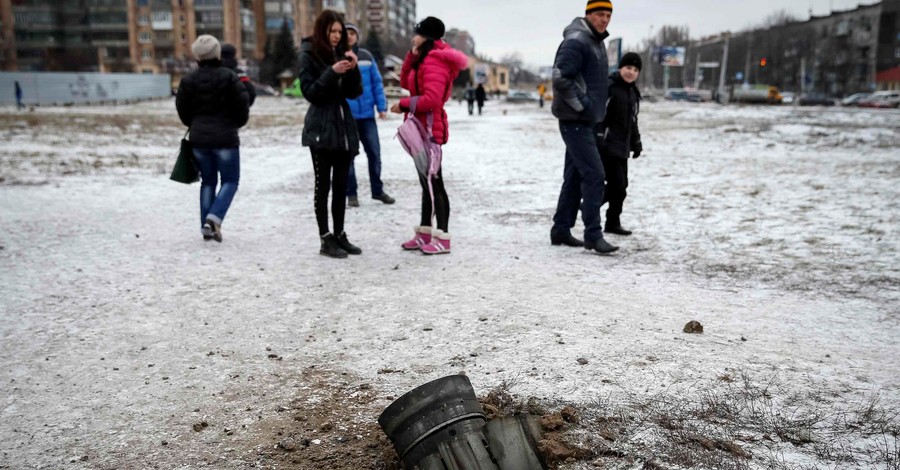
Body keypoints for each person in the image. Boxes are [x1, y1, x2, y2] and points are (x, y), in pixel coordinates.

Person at [390, 16, 468, 255]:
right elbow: (405, 81)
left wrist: (404, 105)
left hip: (430, 130)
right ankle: (425, 232)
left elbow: (432, 99)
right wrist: (411, 57)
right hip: (419, 128)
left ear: (428, 37)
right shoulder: (423, 58)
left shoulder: (435, 60)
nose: (413, 37)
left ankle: (443, 236)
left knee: (436, 183)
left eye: (417, 33)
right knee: (426, 183)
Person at [549, 0, 618, 254]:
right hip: (575, 120)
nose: (605, 19)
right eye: (600, 14)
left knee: (575, 176)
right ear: (588, 14)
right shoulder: (578, 40)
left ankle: (561, 229)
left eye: (608, 15)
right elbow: (560, 78)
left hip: (586, 121)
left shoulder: (596, 41)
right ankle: (593, 235)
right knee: (594, 174)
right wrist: (584, 105)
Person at [298, 10, 364, 259]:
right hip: (321, 127)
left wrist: (353, 68)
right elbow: (310, 92)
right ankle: (325, 237)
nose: (337, 36)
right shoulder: (308, 53)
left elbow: (354, 92)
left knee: (341, 185)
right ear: (322, 31)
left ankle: (339, 233)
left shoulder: (342, 53)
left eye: (340, 32)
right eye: (333, 31)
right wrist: (332, 71)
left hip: (343, 125)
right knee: (322, 184)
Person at [176, 35, 250, 243]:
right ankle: (213, 218)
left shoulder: (188, 80)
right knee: (230, 181)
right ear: (216, 53)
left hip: (199, 139)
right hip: (226, 138)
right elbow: (242, 105)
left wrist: (195, 124)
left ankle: (207, 227)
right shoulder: (229, 77)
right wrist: (236, 124)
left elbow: (182, 109)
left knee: (208, 182)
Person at [343, 22, 395, 208]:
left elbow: (376, 83)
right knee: (348, 156)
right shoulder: (336, 56)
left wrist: (381, 106)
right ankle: (351, 194)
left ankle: (377, 191)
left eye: (352, 33)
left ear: (357, 36)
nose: (349, 36)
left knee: (374, 153)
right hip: (346, 117)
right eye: (346, 33)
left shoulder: (366, 56)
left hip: (367, 116)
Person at [597, 52, 643, 236]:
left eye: (635, 69)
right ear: (620, 68)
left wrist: (636, 142)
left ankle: (612, 222)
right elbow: (599, 114)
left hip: (622, 146)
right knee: (617, 184)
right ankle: (590, 204)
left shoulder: (632, 92)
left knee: (622, 188)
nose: (631, 72)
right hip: (608, 145)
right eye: (628, 68)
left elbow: (633, 120)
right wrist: (599, 135)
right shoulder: (610, 87)